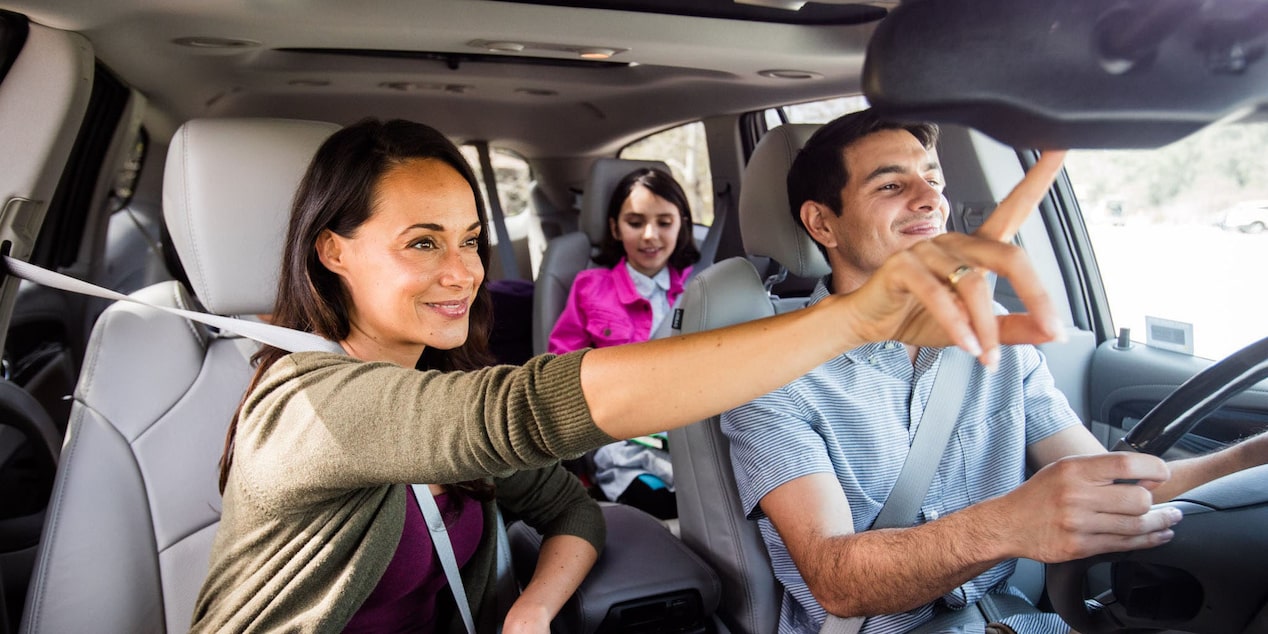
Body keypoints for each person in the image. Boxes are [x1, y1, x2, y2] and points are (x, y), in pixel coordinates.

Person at [192, 110, 1068, 634]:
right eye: (422, 243)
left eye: (468, 241)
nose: (461, 273)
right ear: (332, 251)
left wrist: (534, 606)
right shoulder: (312, 407)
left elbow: (571, 506)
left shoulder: (435, 391)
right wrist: (856, 319)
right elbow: (527, 414)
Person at [720, 109, 1268, 634]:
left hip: (1017, 621)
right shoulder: (772, 370)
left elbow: (1113, 485)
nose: (930, 197)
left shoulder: (995, 332)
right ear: (822, 222)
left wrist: (1253, 456)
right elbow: (838, 582)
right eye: (891, 185)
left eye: (932, 177)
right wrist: (1010, 524)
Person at [548, 167, 700, 519]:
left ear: (682, 225)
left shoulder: (699, 288)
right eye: (635, 222)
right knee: (662, 505)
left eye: (664, 222)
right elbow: (561, 368)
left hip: (690, 439)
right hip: (623, 441)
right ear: (615, 228)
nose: (650, 235)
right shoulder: (591, 287)